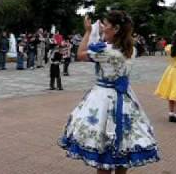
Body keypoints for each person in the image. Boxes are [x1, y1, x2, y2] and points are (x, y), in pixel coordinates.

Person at [58, 11, 160, 174]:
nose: (103, 27)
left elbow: (80, 54)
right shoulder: (131, 49)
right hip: (126, 99)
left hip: (104, 98)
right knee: (124, 147)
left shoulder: (105, 51)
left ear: (116, 28)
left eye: (105, 25)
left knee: (104, 149)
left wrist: (88, 32)